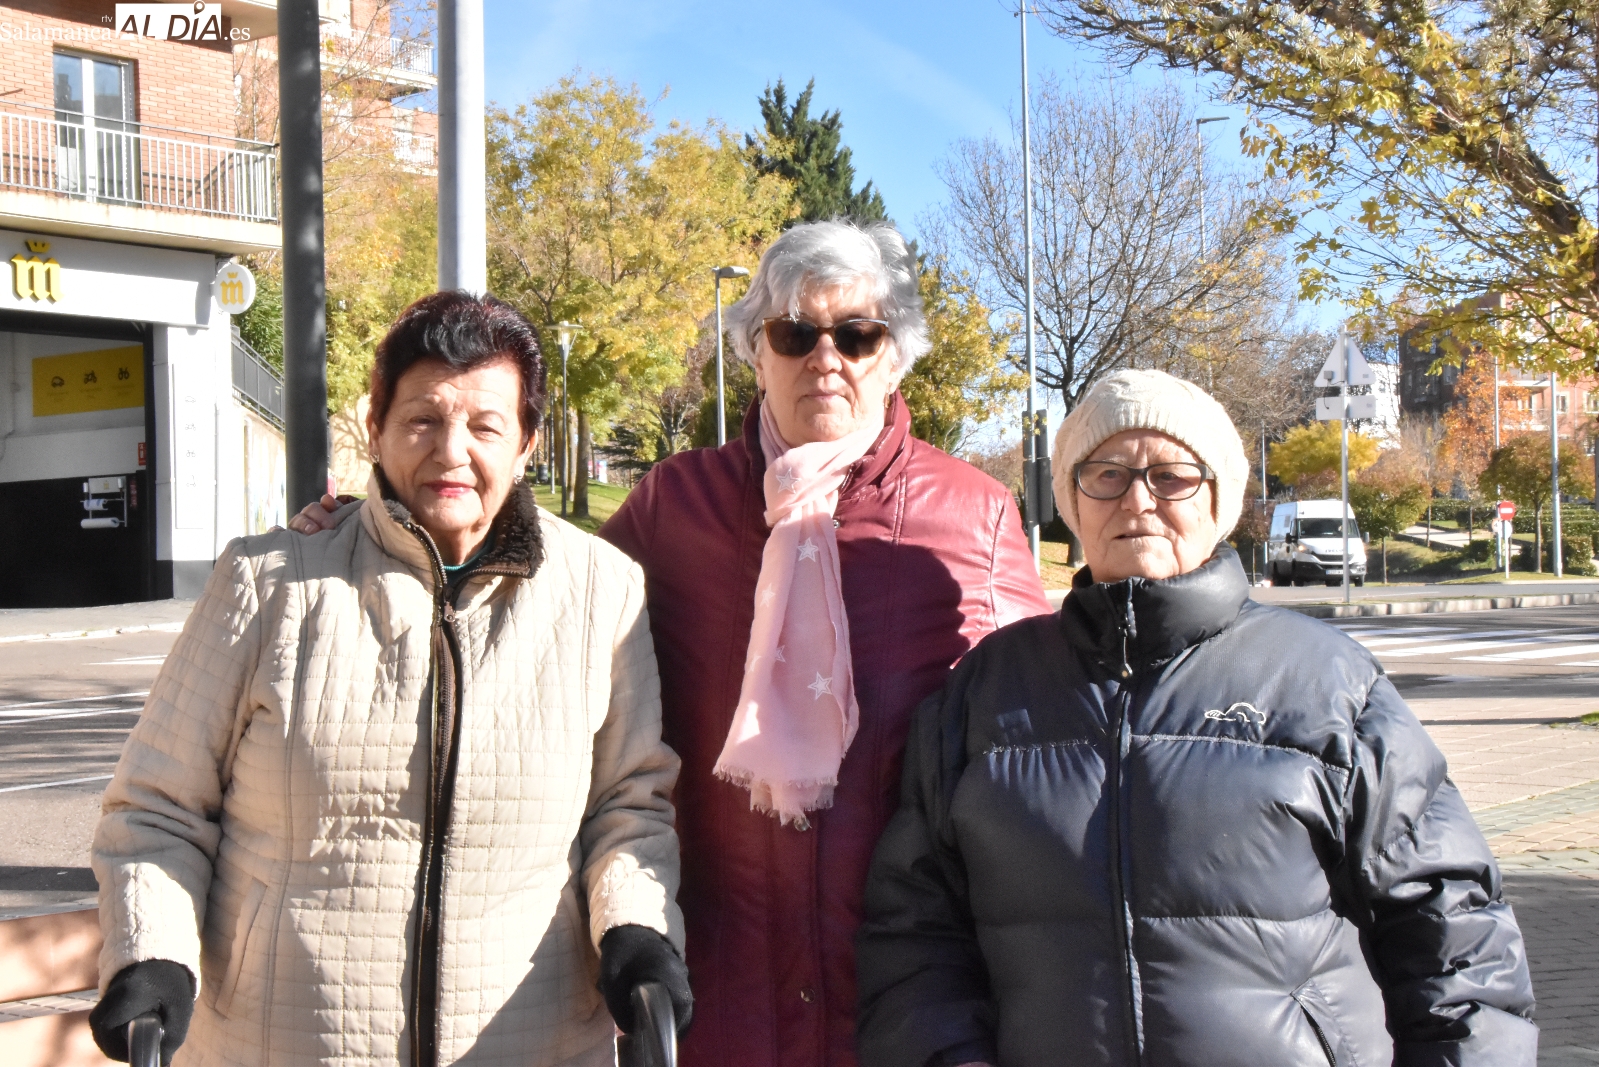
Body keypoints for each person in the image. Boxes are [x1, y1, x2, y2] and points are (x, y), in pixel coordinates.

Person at [292, 220, 1050, 1065]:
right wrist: (375, 527)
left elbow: (1042, 737)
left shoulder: (973, 515)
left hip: (902, 992)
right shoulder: (674, 503)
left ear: (896, 354)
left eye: (856, 334)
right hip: (718, 986)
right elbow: (531, 591)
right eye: (793, 333)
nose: (824, 358)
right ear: (754, 352)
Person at [855, 368, 1538, 1067]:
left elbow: (1451, 925)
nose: (1137, 500)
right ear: (1071, 500)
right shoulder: (985, 691)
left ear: (1220, 500)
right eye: (1106, 474)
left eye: (1172, 477)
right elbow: (916, 933)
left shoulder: (1325, 681)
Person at [89, 291, 690, 1067]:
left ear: (527, 443)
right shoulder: (269, 584)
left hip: (529, 1040)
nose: (450, 451)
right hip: (284, 1043)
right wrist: (152, 953)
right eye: (421, 420)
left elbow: (627, 808)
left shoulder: (602, 591)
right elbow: (158, 809)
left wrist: (636, 932)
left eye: (485, 425)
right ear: (375, 428)